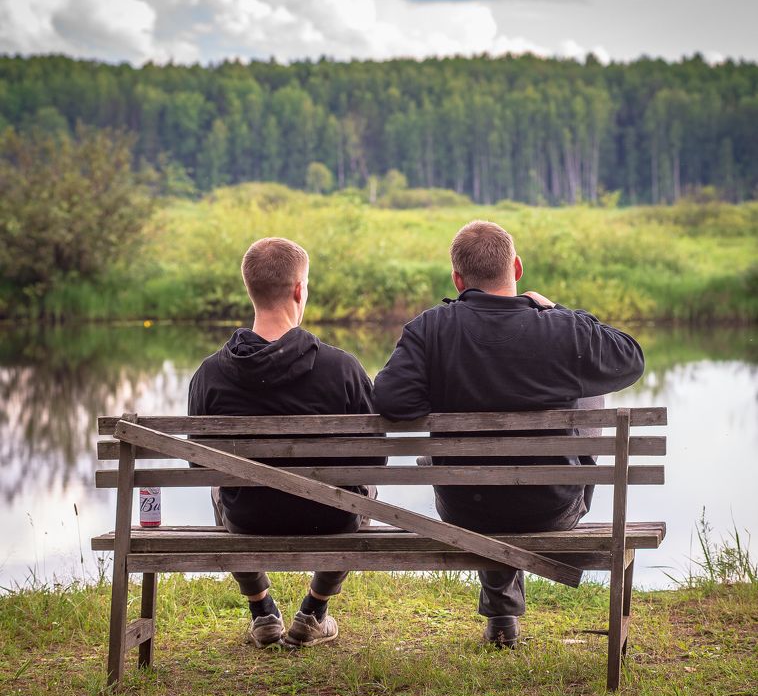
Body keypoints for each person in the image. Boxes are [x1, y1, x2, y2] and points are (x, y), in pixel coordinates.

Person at [373, 220, 644, 648]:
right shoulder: (561, 329)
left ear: (458, 280)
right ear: (516, 268)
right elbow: (629, 360)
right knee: (591, 397)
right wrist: (556, 312)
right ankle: (502, 613)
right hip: (554, 505)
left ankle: (502, 614)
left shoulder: (429, 329)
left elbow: (390, 400)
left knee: (472, 463)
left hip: (465, 507)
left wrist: (452, 392)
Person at [188, 237, 379, 650]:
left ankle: (262, 613)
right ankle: (314, 611)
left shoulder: (210, 375)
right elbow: (375, 460)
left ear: (250, 289)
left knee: (218, 486)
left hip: (248, 519)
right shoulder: (342, 368)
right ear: (298, 290)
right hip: (331, 519)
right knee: (365, 492)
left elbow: (199, 464)